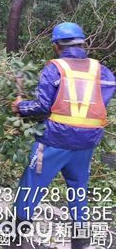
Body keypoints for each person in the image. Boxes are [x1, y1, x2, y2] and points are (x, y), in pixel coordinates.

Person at [10, 22, 115, 249]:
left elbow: (42, 106)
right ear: (82, 43)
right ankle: (80, 240)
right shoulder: (102, 70)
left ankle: (18, 238)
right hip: (87, 142)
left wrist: (21, 107)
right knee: (78, 188)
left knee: (31, 185)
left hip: (54, 140)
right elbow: (98, 102)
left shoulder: (56, 68)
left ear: (57, 46)